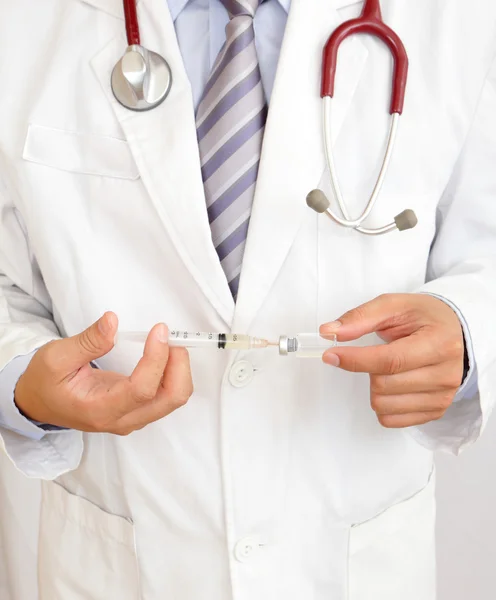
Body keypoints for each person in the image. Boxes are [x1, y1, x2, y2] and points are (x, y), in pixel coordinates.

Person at [0, 0, 495, 598]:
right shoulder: (22, 20)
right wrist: (20, 379)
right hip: (119, 567)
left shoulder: (461, 19)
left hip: (352, 565)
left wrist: (468, 337)